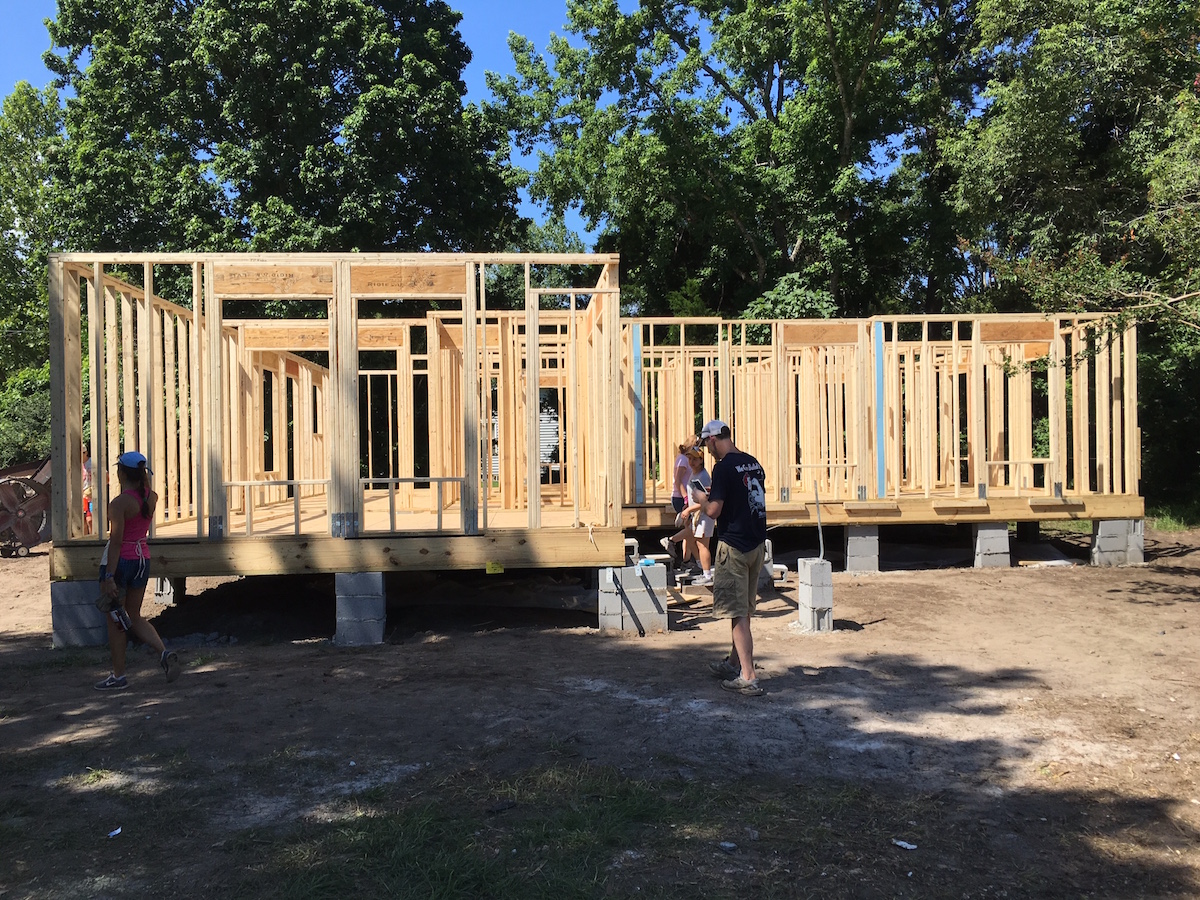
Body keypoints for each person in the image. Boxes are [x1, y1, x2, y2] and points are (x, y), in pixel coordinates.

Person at [94, 450, 180, 691]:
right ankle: (163, 652)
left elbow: (117, 542)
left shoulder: (120, 504)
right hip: (143, 559)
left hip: (122, 561)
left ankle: (118, 675)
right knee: (133, 615)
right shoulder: (151, 497)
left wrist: (109, 576)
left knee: (115, 619)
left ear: (121, 473)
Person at [696, 419, 768, 696]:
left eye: (707, 444)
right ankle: (734, 662)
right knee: (745, 608)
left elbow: (714, 511)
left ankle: (748, 676)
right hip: (756, 544)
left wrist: (700, 498)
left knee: (737, 612)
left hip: (734, 547)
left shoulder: (723, 468)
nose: (708, 450)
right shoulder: (753, 463)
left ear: (714, 440)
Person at [663, 449, 715, 582]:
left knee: (702, 544)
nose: (691, 462)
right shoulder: (693, 474)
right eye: (689, 459)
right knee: (691, 538)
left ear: (701, 460)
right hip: (695, 514)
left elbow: (706, 501)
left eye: (694, 459)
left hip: (704, 516)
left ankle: (707, 575)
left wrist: (688, 510)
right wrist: (688, 508)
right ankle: (700, 566)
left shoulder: (703, 477)